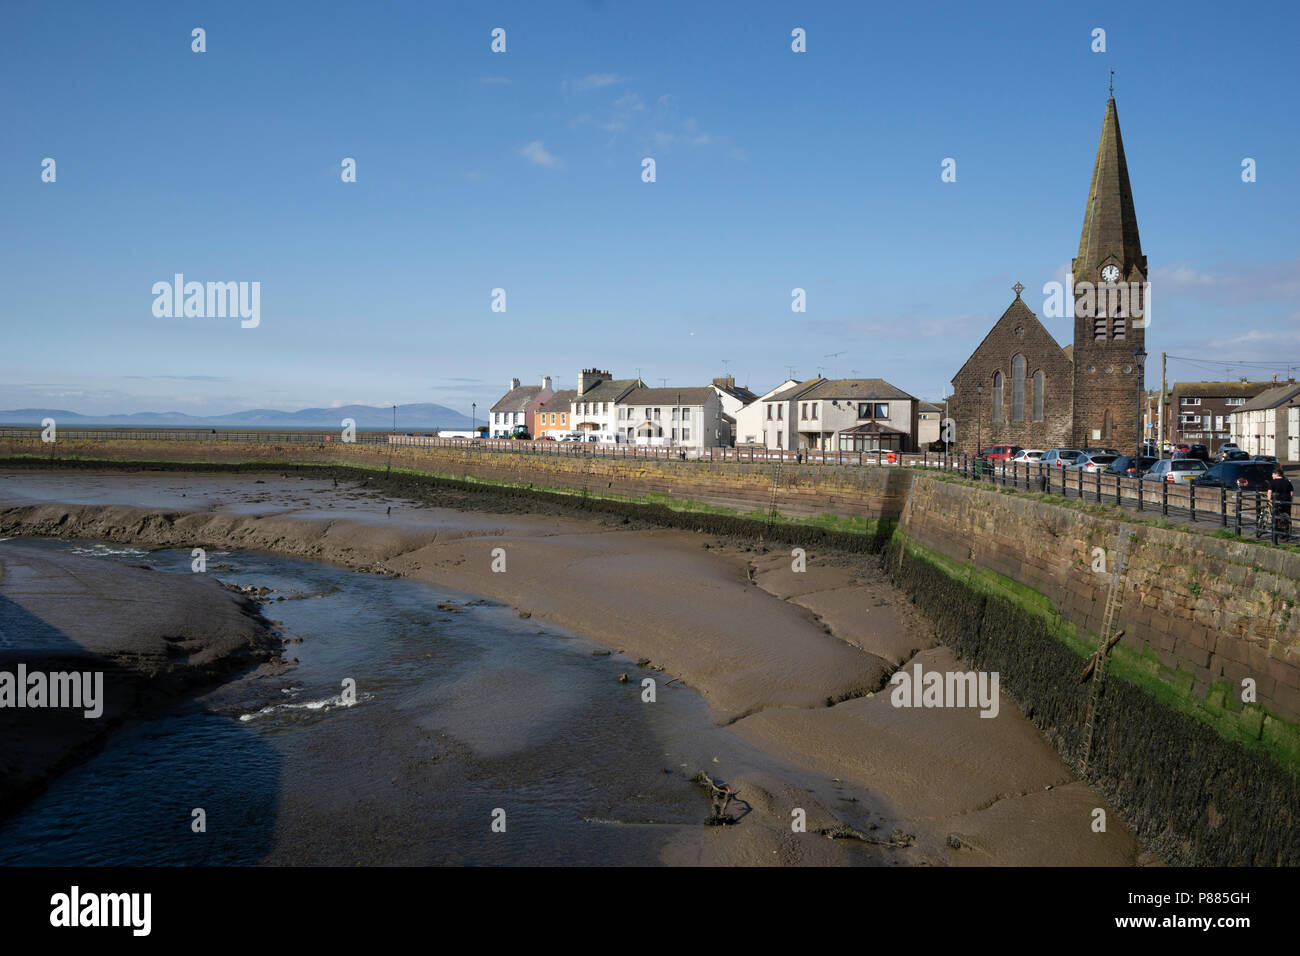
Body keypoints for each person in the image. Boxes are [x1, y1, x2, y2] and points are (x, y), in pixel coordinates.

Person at [1267, 467, 1293, 535]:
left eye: (1273, 474)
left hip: (1277, 502)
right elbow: (1291, 492)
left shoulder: (1272, 482)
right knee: (1287, 516)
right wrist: (1290, 500)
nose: (1272, 476)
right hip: (1286, 501)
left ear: (1276, 474)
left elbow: (1269, 492)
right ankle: (1287, 531)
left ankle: (1275, 532)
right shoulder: (1287, 481)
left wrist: (1269, 501)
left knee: (1275, 516)